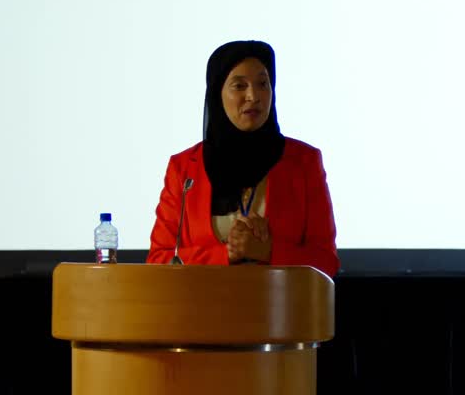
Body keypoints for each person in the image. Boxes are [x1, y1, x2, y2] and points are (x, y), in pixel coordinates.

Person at [146, 40, 340, 277]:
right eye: (239, 86)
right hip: (203, 300)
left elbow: (326, 262)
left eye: (263, 84)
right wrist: (227, 254)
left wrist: (267, 251)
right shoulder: (184, 168)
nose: (253, 96)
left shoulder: (304, 162)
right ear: (217, 93)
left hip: (278, 300)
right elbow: (158, 260)